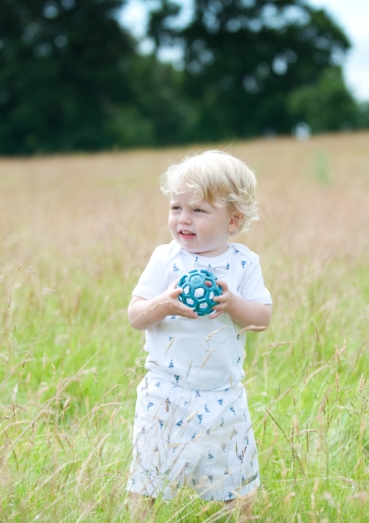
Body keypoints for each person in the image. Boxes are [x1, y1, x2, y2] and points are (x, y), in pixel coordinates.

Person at [126, 150, 273, 518]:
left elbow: (261, 318)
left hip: (222, 393)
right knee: (148, 477)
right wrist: (164, 304)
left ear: (233, 220)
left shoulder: (243, 263)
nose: (183, 220)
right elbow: (135, 316)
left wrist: (232, 304)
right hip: (164, 390)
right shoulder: (165, 259)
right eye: (176, 208)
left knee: (236, 484)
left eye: (198, 210)